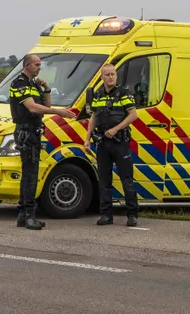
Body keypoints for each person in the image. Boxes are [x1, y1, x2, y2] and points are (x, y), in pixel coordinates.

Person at [9, 54, 76, 230]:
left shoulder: (33, 84)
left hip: (33, 132)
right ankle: (29, 215)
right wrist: (57, 111)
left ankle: (23, 215)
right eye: (37, 65)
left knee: (30, 174)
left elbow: (45, 104)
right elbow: (32, 107)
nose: (39, 68)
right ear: (27, 66)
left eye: (40, 65)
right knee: (30, 176)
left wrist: (46, 89)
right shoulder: (20, 83)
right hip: (26, 131)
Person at [83, 64, 139, 227]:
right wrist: (87, 139)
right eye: (107, 75)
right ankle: (106, 215)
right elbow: (93, 117)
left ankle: (132, 215)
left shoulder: (124, 93)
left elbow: (133, 115)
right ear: (102, 77)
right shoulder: (98, 95)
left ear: (116, 76)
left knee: (126, 179)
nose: (110, 77)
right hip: (103, 143)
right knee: (104, 180)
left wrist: (115, 129)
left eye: (113, 74)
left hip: (120, 142)